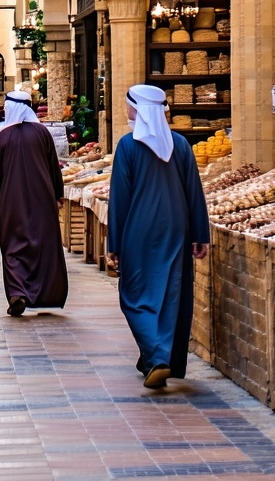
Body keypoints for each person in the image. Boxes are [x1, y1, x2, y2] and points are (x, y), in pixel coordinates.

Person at [106, 84, 211, 390]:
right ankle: (152, 357)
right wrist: (199, 233)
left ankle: (156, 357)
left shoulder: (128, 146)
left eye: (128, 108)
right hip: (176, 230)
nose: (127, 112)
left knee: (135, 296)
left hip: (139, 231)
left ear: (138, 111)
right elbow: (194, 192)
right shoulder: (180, 145)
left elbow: (120, 198)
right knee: (170, 294)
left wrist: (114, 243)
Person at [0, 91, 67, 317]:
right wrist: (58, 194)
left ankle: (18, 293)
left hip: (11, 202)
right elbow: (53, 167)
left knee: (13, 248)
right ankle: (43, 294)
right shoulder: (42, 133)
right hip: (42, 200)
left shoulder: (2, 137)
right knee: (40, 246)